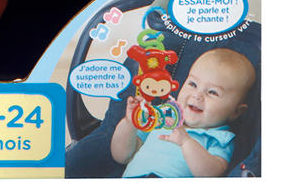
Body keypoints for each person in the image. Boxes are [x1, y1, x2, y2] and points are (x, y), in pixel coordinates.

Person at [110, 47, 257, 177]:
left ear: (236, 112)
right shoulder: (161, 116)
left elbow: (210, 174)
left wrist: (186, 142)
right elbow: (122, 156)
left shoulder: (220, 137)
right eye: (193, 84)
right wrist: (129, 124)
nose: (197, 95)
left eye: (212, 92)